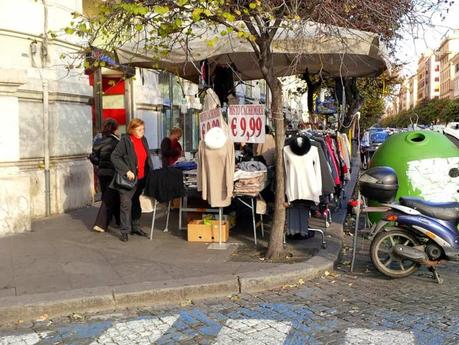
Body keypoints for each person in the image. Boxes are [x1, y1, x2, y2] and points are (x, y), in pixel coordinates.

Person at [111, 118, 154, 242]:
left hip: (141, 178)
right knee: (125, 204)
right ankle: (124, 231)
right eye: (139, 129)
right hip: (127, 179)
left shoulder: (143, 140)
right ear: (132, 129)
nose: (142, 131)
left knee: (136, 202)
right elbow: (114, 157)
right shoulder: (126, 140)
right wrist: (126, 171)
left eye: (143, 129)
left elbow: (146, 158)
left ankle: (135, 227)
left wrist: (150, 172)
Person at [91, 118, 121, 232]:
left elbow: (94, 158)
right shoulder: (117, 142)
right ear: (115, 129)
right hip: (113, 173)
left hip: (102, 173)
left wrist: (99, 163)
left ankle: (117, 219)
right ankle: (101, 223)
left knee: (110, 195)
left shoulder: (99, 141)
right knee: (109, 197)